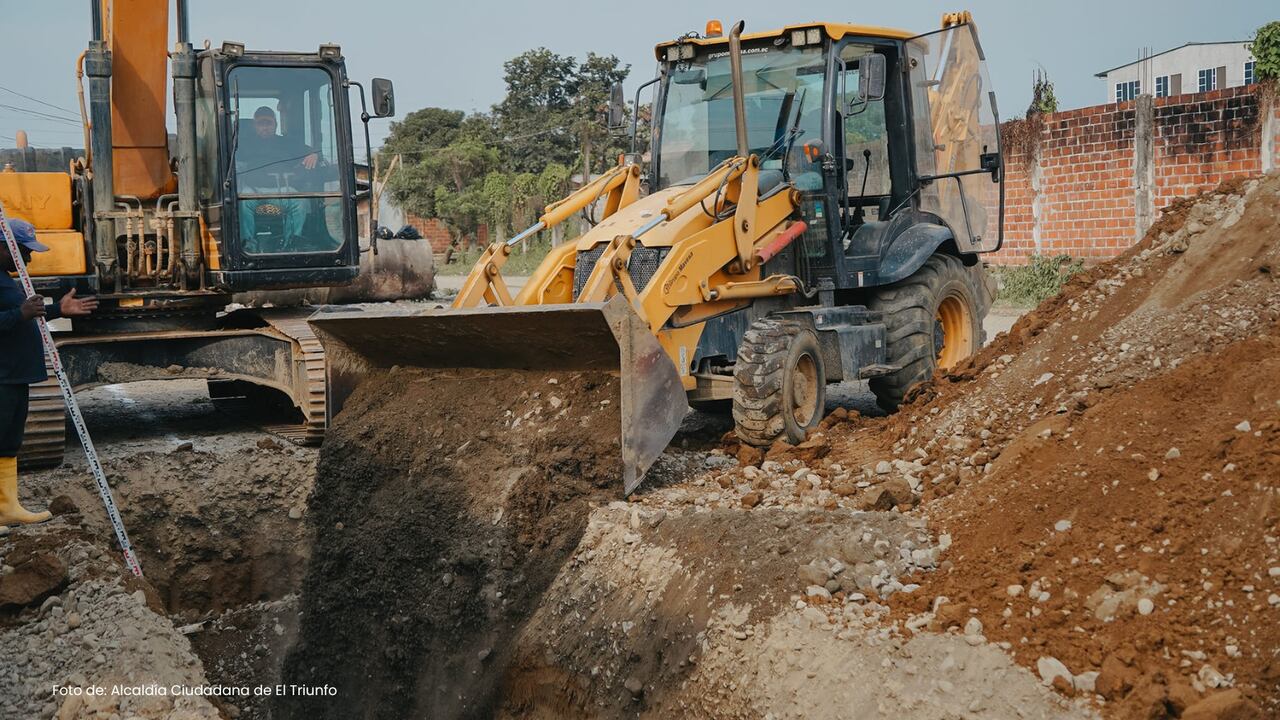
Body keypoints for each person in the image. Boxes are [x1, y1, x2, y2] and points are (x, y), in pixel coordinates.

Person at [1, 218, 98, 526]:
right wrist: (20, 313)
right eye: (22, 250)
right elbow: (16, 316)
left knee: (8, 441)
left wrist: (58, 310)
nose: (28, 258)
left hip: (16, 374)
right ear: (2, 246)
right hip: (1, 376)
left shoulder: (4, 276)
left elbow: (27, 314)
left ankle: (6, 508)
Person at [237, 106, 321, 251]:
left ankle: (290, 244)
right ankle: (249, 244)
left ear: (275, 125)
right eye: (261, 124)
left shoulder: (287, 143)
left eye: (268, 123)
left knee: (300, 203)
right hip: (252, 192)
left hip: (283, 191)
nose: (265, 127)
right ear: (254, 126)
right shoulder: (243, 145)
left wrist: (314, 155)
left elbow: (314, 151)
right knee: (241, 204)